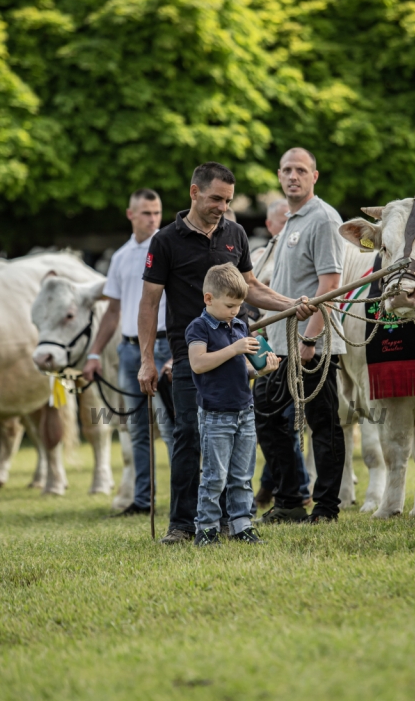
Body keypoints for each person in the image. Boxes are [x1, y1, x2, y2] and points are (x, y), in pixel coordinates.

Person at [137, 161, 314, 544]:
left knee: (234, 442)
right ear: (194, 192)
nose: (222, 206)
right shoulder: (165, 241)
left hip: (237, 353)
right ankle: (183, 526)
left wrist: (293, 303)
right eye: (216, 198)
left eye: (228, 199)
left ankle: (230, 522)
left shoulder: (234, 233)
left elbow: (250, 288)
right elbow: (149, 303)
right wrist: (148, 359)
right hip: (191, 355)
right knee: (189, 435)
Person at [254, 148, 346, 524]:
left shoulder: (323, 219)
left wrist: (310, 340)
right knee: (269, 418)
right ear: (279, 175)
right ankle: (290, 501)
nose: (293, 176)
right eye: (288, 170)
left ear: (314, 176)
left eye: (301, 170)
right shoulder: (290, 220)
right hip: (278, 345)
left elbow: (331, 285)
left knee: (323, 426)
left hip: (312, 346)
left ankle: (326, 508)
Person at [83, 188, 174, 516]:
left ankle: (182, 500)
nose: (153, 219)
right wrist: (94, 354)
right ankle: (143, 499)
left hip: (165, 345)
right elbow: (112, 311)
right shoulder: (120, 257)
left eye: (156, 212)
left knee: (172, 425)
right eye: (146, 213)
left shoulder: (169, 246)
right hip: (130, 349)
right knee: (137, 427)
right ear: (130, 215)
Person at [186, 263, 279, 545]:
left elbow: (242, 370)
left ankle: (241, 525)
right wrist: (235, 348)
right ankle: (206, 528)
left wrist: (261, 370)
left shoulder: (239, 325)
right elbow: (198, 364)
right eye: (229, 305)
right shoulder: (199, 327)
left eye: (239, 305)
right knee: (215, 477)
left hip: (244, 410)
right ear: (208, 299)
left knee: (242, 475)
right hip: (216, 414)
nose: (235, 311)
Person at [250, 198, 312, 509]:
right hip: (267, 343)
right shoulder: (260, 256)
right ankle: (280, 489)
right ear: (271, 224)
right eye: (283, 218)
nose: (289, 222)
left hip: (296, 343)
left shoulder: (295, 254)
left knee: (287, 420)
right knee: (270, 419)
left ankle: (295, 492)